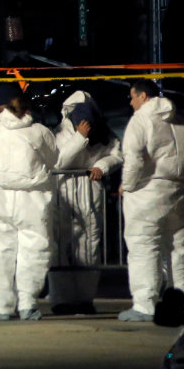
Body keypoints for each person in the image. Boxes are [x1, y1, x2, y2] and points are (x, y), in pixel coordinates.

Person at [119, 79, 184, 322]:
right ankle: (183, 297)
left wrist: (129, 185)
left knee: (144, 247)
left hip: (147, 194)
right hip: (181, 192)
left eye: (132, 97)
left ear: (143, 97)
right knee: (180, 248)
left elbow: (134, 158)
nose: (131, 102)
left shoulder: (140, 120)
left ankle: (145, 304)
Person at [0, 83, 59, 321]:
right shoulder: (40, 131)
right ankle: (28, 303)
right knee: (34, 251)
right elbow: (53, 158)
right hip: (32, 198)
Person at [49, 90, 123, 314]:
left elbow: (116, 154)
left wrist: (103, 165)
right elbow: (59, 161)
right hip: (63, 189)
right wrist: (79, 138)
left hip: (89, 189)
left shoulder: (103, 132)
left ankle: (85, 298)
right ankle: (61, 299)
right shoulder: (59, 133)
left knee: (90, 244)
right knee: (61, 245)